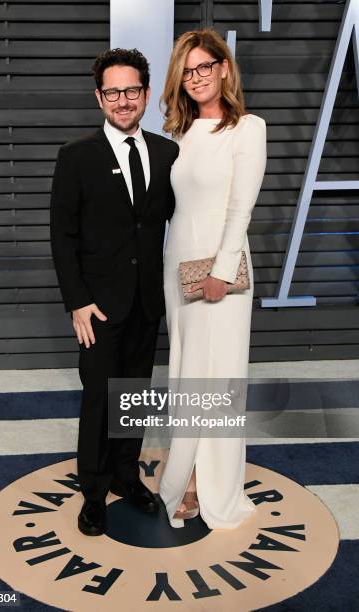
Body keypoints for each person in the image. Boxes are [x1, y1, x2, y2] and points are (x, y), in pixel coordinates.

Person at [50, 48, 179, 536]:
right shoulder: (76, 156)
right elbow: (61, 236)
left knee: (134, 396)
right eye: (112, 91)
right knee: (99, 398)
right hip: (98, 306)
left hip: (147, 299)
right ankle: (93, 490)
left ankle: (126, 477)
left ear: (145, 95)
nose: (122, 100)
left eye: (131, 91)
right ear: (99, 96)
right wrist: (77, 301)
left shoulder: (168, 153)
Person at [158, 29, 267, 529]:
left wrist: (222, 273)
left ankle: (206, 485)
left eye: (206, 66)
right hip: (176, 267)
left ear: (224, 68)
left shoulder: (248, 128)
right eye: (188, 69)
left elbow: (241, 207)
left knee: (215, 380)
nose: (197, 77)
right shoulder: (178, 133)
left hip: (218, 274)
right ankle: (185, 473)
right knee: (186, 376)